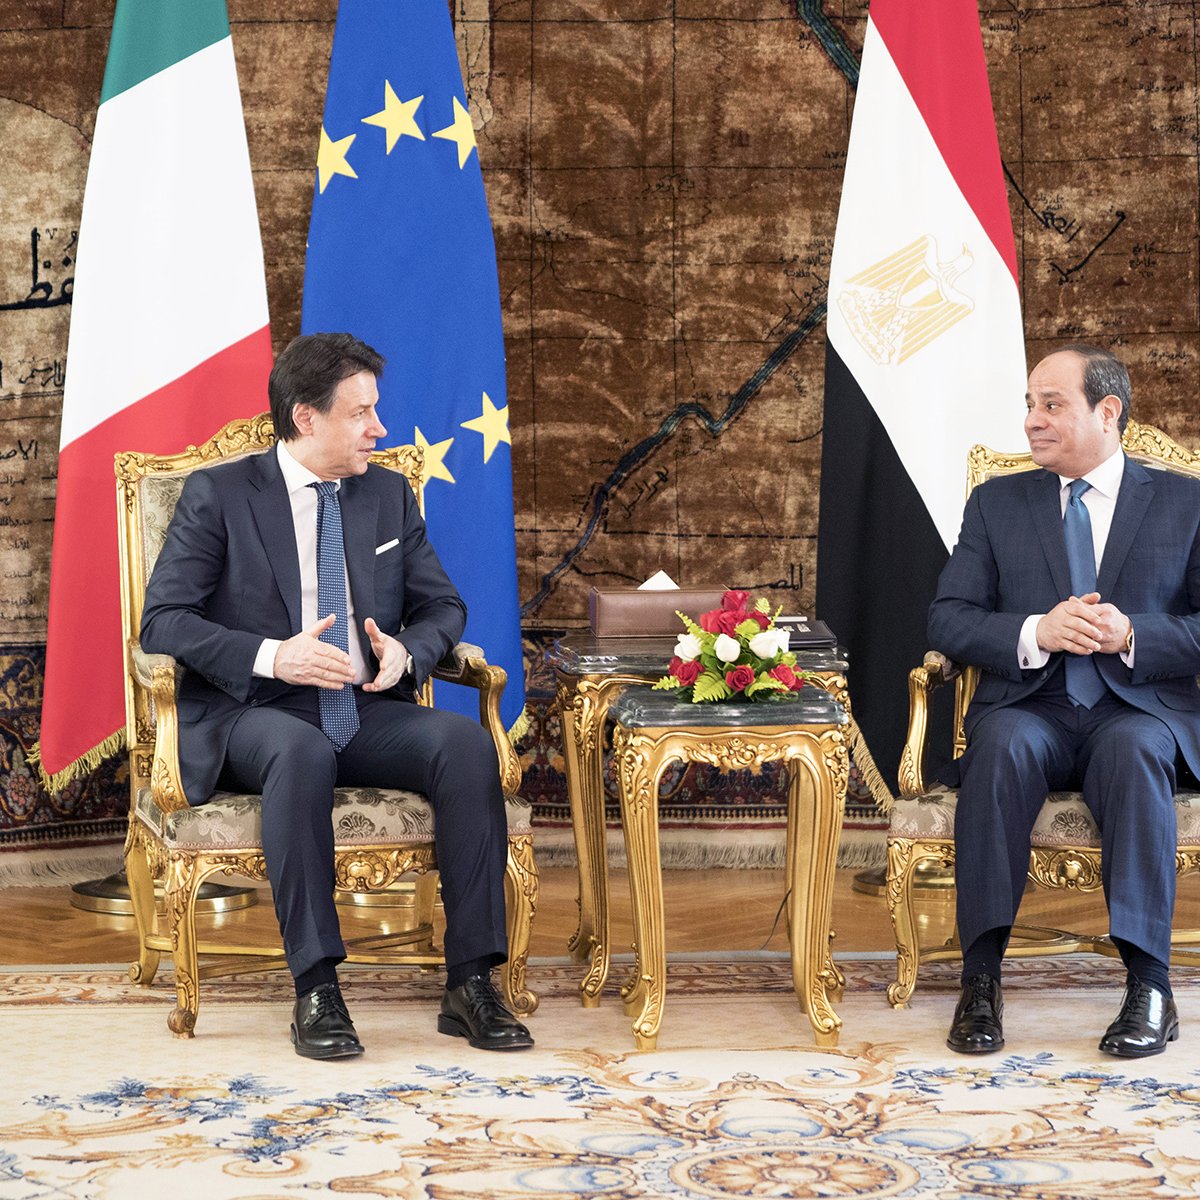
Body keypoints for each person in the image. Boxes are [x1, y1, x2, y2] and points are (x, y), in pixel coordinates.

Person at [140, 332, 533, 1059]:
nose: (379, 429)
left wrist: (405, 651)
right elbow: (163, 619)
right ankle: (316, 989)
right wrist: (273, 655)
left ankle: (472, 982)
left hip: (365, 708)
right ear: (306, 418)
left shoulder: (386, 492)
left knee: (464, 744)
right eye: (361, 414)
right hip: (257, 715)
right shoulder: (221, 495)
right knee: (300, 750)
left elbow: (444, 608)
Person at [929, 344, 1200, 1059]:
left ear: (1106, 412)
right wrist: (1034, 630)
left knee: (1138, 750)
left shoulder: (1185, 502)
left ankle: (1149, 988)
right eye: (1029, 404)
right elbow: (948, 619)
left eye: (1052, 404)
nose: (1032, 421)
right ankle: (981, 981)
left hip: (1135, 707)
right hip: (1033, 702)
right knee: (999, 747)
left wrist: (1137, 634)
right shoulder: (997, 503)